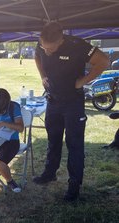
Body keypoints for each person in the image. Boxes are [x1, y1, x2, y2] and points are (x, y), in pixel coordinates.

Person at [33, 21, 109, 201]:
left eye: (50, 49)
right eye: (44, 47)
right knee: (53, 140)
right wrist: (42, 75)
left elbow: (104, 61)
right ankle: (49, 173)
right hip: (52, 101)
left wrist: (83, 81)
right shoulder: (42, 43)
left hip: (73, 103)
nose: (46, 51)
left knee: (74, 144)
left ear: (61, 41)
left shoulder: (77, 45)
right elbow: (37, 56)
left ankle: (74, 185)